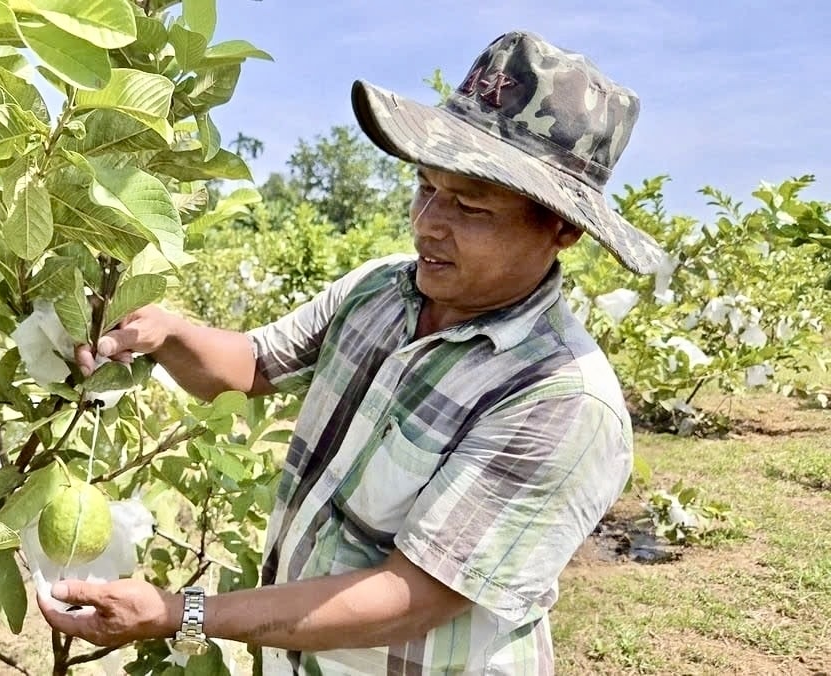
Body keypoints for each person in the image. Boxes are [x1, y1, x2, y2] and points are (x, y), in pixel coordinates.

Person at [36, 30, 666, 674]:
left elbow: (413, 597)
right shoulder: (380, 291)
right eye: (426, 187)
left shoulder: (560, 399)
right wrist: (166, 332)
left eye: (471, 208)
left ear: (563, 230)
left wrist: (182, 612)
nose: (428, 223)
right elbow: (252, 365)